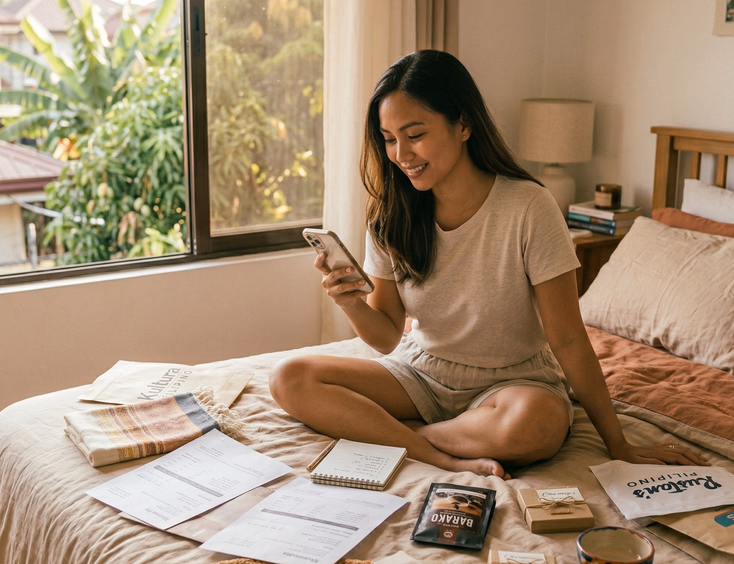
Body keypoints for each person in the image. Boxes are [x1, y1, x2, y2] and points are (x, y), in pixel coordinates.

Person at [269, 49, 708, 479]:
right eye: (388, 139)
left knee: (536, 426)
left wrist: (619, 443)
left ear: (463, 124)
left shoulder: (529, 207)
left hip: (515, 384)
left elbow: (570, 339)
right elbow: (386, 337)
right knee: (289, 377)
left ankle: (397, 435)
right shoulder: (391, 215)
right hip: (421, 373)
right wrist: (350, 303)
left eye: (415, 134)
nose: (401, 154)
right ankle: (436, 451)